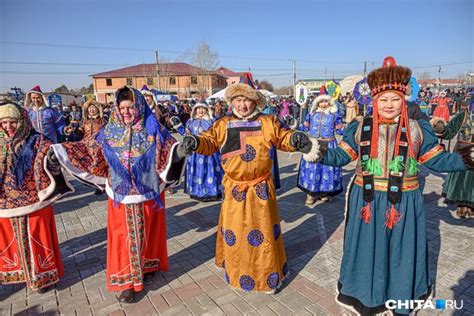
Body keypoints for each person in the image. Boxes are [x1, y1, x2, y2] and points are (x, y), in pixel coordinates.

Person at [314, 57, 473, 315]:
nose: (389, 105)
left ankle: (400, 298)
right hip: (366, 201)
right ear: (374, 101)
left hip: (405, 202)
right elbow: (340, 156)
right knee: (367, 253)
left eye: (395, 99)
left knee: (401, 252)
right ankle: (367, 296)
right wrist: (314, 150)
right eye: (383, 99)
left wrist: (466, 158)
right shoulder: (360, 127)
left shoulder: (417, 129)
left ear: (404, 99)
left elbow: (437, 159)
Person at [50, 86, 186, 303]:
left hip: (148, 192)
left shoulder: (154, 129)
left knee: (148, 231)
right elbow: (88, 150)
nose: (126, 111)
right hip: (121, 196)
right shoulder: (108, 131)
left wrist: (179, 152)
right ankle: (127, 282)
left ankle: (147, 266)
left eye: (131, 107)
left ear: (139, 106)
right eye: (122, 107)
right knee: (123, 237)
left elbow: (169, 150)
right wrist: (60, 152)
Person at [178, 83, 318, 293]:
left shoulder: (267, 121)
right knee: (236, 232)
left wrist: (296, 139)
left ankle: (267, 279)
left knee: (264, 236)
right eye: (238, 100)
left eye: (246, 100)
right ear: (231, 101)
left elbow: (283, 137)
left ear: (254, 101)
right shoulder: (223, 124)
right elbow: (209, 142)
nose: (242, 105)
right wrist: (195, 141)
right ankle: (237, 272)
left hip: (261, 188)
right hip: (234, 190)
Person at [0, 102, 73, 293]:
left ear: (22, 121)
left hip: (34, 201)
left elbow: (48, 159)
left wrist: (52, 160)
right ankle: (22, 273)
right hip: (5, 202)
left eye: (12, 122)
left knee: (37, 240)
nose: (8, 127)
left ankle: (42, 277)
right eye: (4, 122)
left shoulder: (37, 141)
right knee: (12, 241)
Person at [171, 101, 224, 201]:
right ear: (195, 110)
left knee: (209, 171)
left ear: (206, 110)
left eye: (202, 108)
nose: (200, 110)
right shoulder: (191, 122)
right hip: (195, 154)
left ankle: (211, 192)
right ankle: (197, 192)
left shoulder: (211, 122)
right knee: (197, 171)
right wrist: (178, 127)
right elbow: (186, 135)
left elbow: (217, 136)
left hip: (209, 153)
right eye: (198, 108)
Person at [297, 95, 344, 205]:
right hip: (314, 145)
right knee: (312, 168)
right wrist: (292, 127)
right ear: (317, 103)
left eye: (325, 102)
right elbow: (304, 127)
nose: (323, 104)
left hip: (329, 144)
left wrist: (353, 128)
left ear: (329, 103)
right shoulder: (312, 114)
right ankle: (311, 194)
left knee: (327, 169)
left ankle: (325, 193)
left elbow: (340, 130)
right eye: (321, 102)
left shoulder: (334, 115)